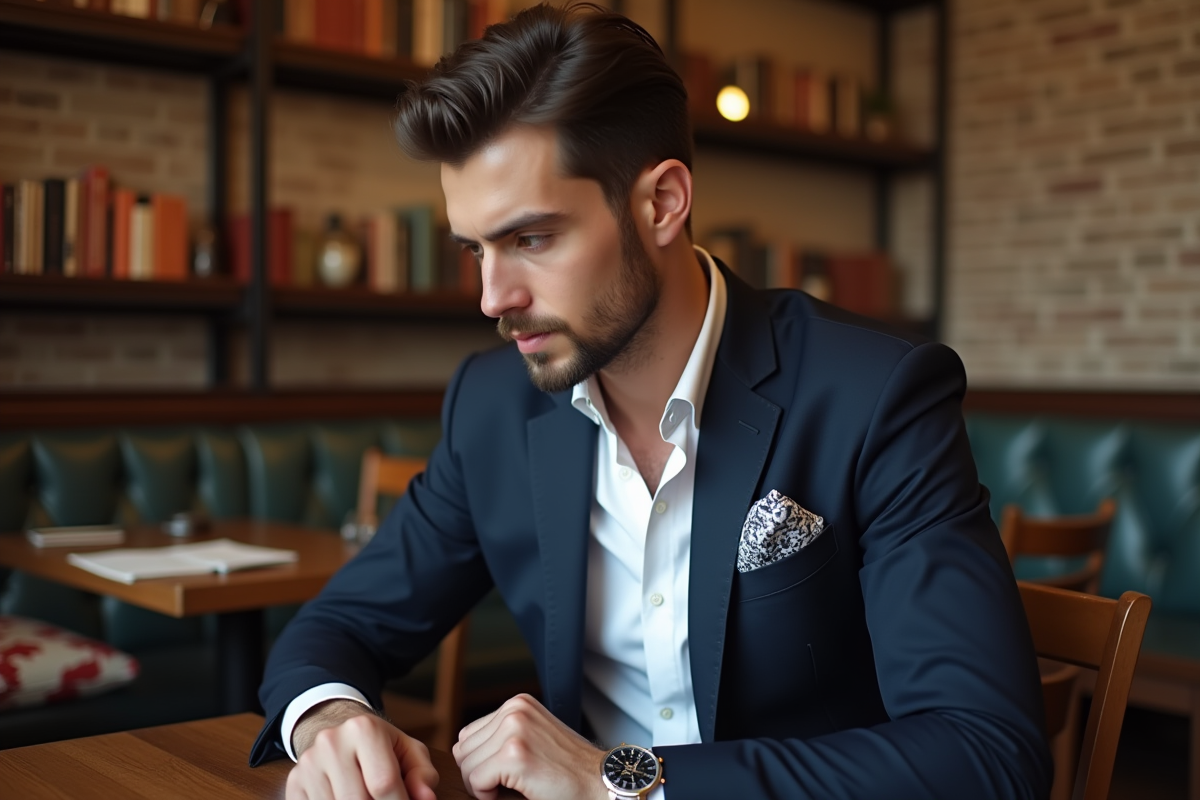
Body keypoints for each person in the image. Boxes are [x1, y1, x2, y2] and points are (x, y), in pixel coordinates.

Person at [251, 4, 1052, 799]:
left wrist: (618, 783)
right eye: (475, 250)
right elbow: (338, 628)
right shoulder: (492, 409)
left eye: (531, 239)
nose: (493, 297)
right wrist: (331, 723)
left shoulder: (875, 394)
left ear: (663, 203)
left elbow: (986, 753)